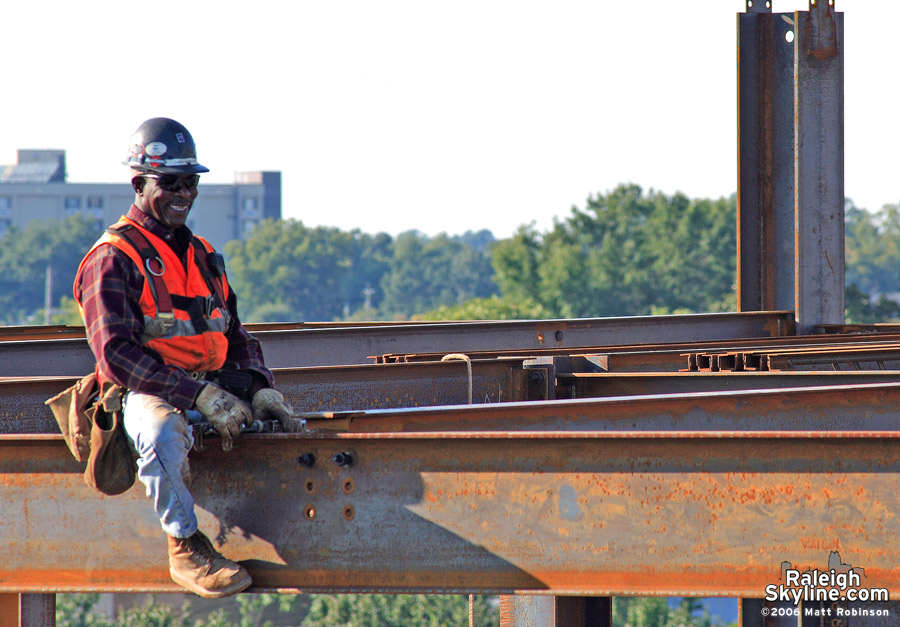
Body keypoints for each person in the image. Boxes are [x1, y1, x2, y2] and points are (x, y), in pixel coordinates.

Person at [73, 117, 299, 598]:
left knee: (284, 425)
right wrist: (198, 394)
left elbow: (234, 333)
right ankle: (184, 545)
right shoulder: (112, 258)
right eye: (169, 182)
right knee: (160, 431)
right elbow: (115, 356)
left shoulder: (203, 255)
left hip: (207, 388)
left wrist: (260, 389)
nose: (183, 193)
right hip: (146, 393)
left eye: (190, 182)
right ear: (139, 183)